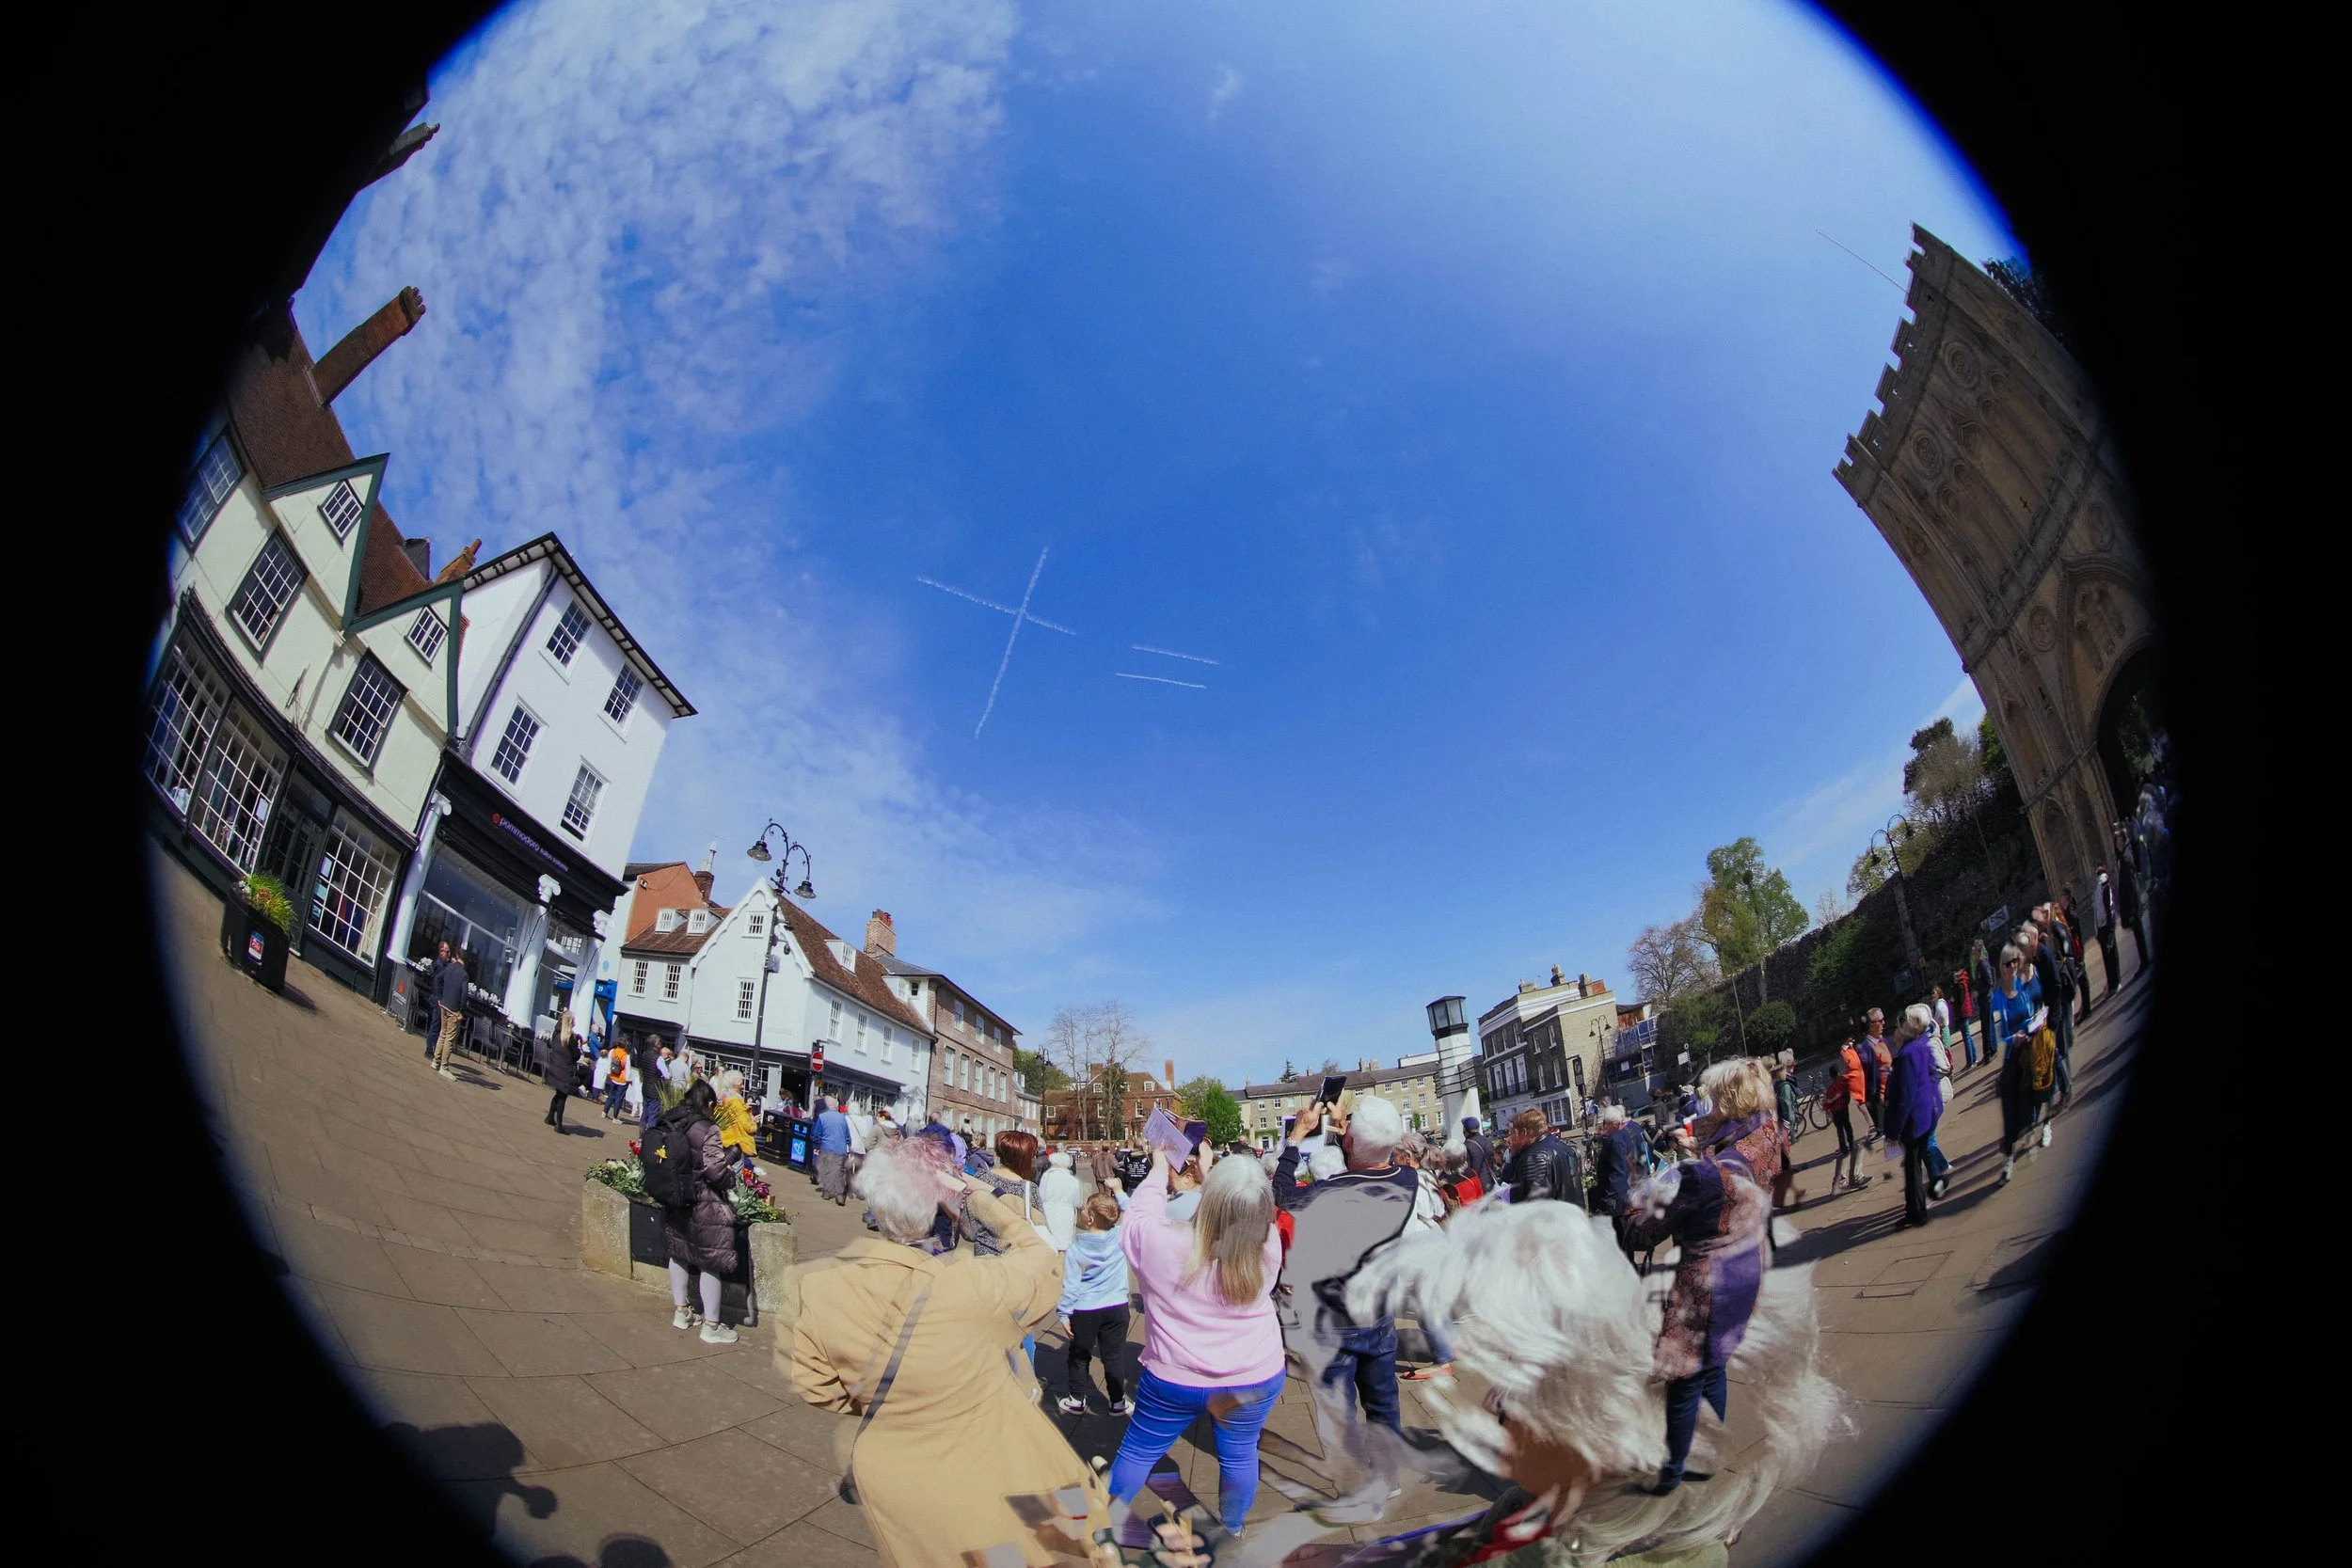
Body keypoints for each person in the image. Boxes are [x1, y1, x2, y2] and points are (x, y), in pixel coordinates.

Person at [1341, 1195, 1842, 1565]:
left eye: (1515, 1392)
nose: (1491, 1408)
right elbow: (1469, 1537)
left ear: (1591, 1421)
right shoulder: (1554, 1498)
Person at [792, 1135, 1104, 1568]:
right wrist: (976, 1195)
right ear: (932, 1211)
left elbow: (816, 1387)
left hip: (896, 1478)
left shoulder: (821, 1292)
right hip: (975, 1463)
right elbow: (1043, 1254)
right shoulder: (972, 1287)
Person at [1109, 1147, 1287, 1537]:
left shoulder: (1162, 1243)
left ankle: (1102, 1519)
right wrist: (1211, 1175)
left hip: (1177, 1377)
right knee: (1240, 1452)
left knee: (1139, 1452)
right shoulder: (1268, 1243)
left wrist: (1159, 1167)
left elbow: (1138, 1215)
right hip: (1254, 1373)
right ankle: (1234, 1526)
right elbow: (1238, 1212)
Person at [1619, 1062, 1778, 1497]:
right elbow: (1728, 1176)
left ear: (1727, 1101)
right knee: (1715, 1365)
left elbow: (1646, 1233)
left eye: (1713, 1097)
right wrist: (1696, 1150)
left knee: (1684, 1378)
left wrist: (1637, 1199)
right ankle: (1706, 1458)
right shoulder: (1766, 1134)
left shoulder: (1708, 1174)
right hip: (1745, 1267)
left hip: (1703, 1287)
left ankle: (1673, 1478)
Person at [1275, 1095, 1418, 1435]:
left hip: (1335, 1316)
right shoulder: (1407, 1178)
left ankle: (1353, 1477)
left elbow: (1279, 1194)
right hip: (1379, 1308)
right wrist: (1345, 1128)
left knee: (1339, 1409)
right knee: (1383, 1402)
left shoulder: (1331, 1191)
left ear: (1351, 1142)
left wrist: (1295, 1137)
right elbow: (1364, 1161)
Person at [653, 1079, 740, 1345]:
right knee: (710, 1262)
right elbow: (714, 1171)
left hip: (673, 1194)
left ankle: (681, 1313)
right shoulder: (708, 1128)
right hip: (702, 1199)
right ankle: (711, 1326)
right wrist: (731, 1172)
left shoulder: (669, 1118)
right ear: (709, 1104)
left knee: (678, 1252)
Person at [1056, 1191, 1132, 1415]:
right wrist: (1119, 1191)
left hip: (1085, 1308)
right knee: (1114, 1355)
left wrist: (1063, 1313)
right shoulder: (1121, 1237)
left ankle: (1076, 1400)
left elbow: (1071, 1286)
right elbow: (1134, 1214)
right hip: (1117, 1306)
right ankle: (1118, 1402)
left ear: (1089, 1219)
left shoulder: (1076, 1249)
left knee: (1080, 1355)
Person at [1989, 942, 2052, 1185]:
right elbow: (1999, 1032)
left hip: (2032, 1050)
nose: (2013, 967)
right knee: (2010, 1111)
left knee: (2036, 1094)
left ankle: (2043, 1124)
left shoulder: (2024, 988)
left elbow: (2038, 1006)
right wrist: (2013, 1038)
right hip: (2012, 1058)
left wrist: (2040, 1017)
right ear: (2001, 967)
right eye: (2008, 963)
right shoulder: (1997, 999)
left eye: (2016, 961)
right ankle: (2008, 1159)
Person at [1884, 1005, 1946, 1228]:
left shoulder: (1906, 1054)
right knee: (1915, 1163)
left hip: (1914, 1120)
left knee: (1912, 1169)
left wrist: (1892, 1131)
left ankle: (1917, 1213)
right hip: (1926, 1112)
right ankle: (1933, 1187)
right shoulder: (1922, 1045)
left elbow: (1904, 1097)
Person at [2024, 914, 2075, 1108]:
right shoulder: (2037, 956)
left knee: (2055, 1051)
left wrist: (2051, 1011)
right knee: (2053, 1052)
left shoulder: (2043, 955)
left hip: (2053, 1009)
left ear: (2035, 939)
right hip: (2047, 1011)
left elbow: (2055, 984)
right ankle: (2063, 1088)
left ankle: (2066, 1089)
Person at [969, 1131, 1044, 1257]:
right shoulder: (1028, 1188)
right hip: (1015, 1260)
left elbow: (970, 1226)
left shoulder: (981, 1178)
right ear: (1023, 1158)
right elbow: (1039, 1226)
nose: (1034, 1160)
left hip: (984, 1259)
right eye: (1032, 1156)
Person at [1502, 1107, 1587, 1211]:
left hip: (1552, 1223)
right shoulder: (1563, 1147)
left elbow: (1533, 1206)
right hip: (1570, 1220)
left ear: (1523, 1133)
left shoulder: (1534, 1157)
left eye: (1512, 1132)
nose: (1509, 1138)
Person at [1825, 1037, 1870, 1193]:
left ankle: (1844, 1176)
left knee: (1845, 1137)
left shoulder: (1834, 1085)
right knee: (1853, 1138)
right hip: (1847, 1110)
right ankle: (1853, 1176)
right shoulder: (1844, 1081)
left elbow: (1826, 1104)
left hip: (1842, 1111)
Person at [430, 942, 469, 1081]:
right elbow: (464, 995)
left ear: (456, 956)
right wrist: (461, 1011)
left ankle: (435, 1061)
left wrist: (440, 997)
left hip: (443, 1005)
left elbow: (438, 979)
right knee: (449, 1038)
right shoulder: (464, 974)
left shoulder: (450, 968)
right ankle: (444, 1067)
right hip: (453, 1010)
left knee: (442, 1033)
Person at [544, 1023, 592, 1132]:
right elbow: (576, 1056)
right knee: (562, 1097)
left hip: (556, 1066)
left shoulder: (557, 1033)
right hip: (565, 1069)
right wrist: (578, 1045)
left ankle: (550, 1117)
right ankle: (559, 1125)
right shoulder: (569, 1037)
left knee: (558, 1094)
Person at [1038, 1149, 1083, 1252]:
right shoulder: (1073, 1180)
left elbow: (1041, 1196)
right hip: (1066, 1213)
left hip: (1048, 1210)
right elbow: (1078, 1202)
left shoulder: (1047, 1176)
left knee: (1048, 1240)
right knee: (1064, 1241)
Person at [813, 1097, 854, 1205]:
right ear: (836, 1106)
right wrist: (849, 1146)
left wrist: (817, 1146)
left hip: (826, 1147)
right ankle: (840, 1195)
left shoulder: (822, 1117)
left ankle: (827, 1192)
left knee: (826, 1170)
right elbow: (847, 1135)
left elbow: (816, 1134)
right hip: (840, 1149)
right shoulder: (842, 1118)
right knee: (839, 1172)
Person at [2092, 863, 2123, 1001]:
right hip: (2102, 926)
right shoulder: (2099, 887)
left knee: (2111, 955)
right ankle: (2112, 983)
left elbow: (2109, 906)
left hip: (2106, 925)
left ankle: (2115, 983)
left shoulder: (2104, 885)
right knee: (2108, 956)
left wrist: (2110, 927)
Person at [1859, 1010, 1891, 1143]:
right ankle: (1881, 1130)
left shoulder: (1881, 1040)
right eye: (1880, 1020)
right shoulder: (1866, 1047)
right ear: (1871, 1025)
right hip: (1878, 1088)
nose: (1884, 1023)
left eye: (1884, 1019)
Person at [713, 1069, 757, 1163]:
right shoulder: (737, 1102)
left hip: (721, 1140)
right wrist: (753, 1121)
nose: (743, 1087)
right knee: (735, 1175)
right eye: (740, 1084)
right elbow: (748, 1127)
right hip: (735, 1144)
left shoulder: (722, 1098)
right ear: (733, 1085)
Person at [1952, 965, 1979, 1069]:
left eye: (1956, 974)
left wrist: (1955, 1003)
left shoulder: (1960, 985)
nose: (1954, 976)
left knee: (1966, 1037)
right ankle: (1973, 1058)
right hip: (1965, 1012)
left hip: (1963, 1013)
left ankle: (1971, 1061)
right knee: (1968, 1036)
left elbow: (1961, 1000)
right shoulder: (1961, 983)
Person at [601, 1037, 631, 1119]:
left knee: (611, 1095)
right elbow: (628, 1069)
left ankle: (604, 1112)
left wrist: (608, 1073)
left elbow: (609, 1063)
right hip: (622, 1080)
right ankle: (615, 1117)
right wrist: (628, 1079)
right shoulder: (626, 1056)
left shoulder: (612, 1051)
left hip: (613, 1076)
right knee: (619, 1099)